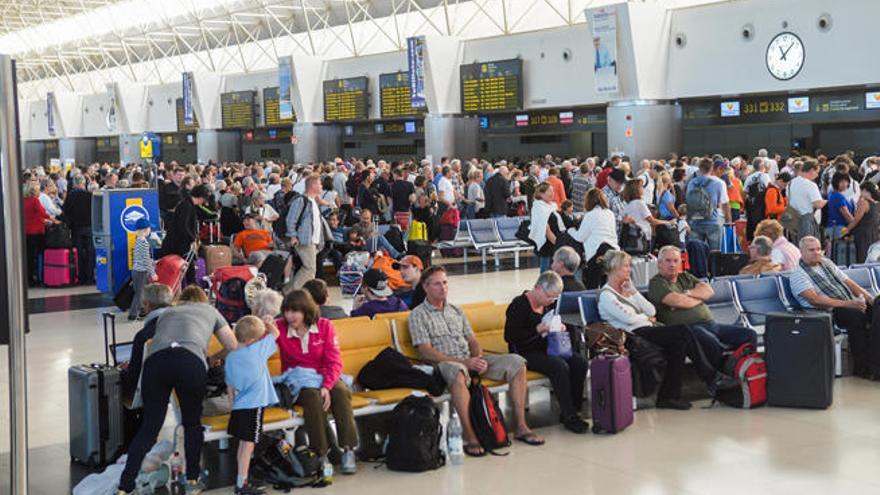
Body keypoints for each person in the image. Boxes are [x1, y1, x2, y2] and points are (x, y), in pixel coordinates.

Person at [408, 266, 543, 457]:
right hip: (444, 364)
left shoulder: (456, 310)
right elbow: (426, 351)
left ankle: (521, 426)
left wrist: (478, 358)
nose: (443, 287)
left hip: (469, 359)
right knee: (457, 372)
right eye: (437, 284)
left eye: (445, 282)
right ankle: (470, 437)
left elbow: (472, 340)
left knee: (517, 363)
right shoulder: (418, 314)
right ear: (425, 287)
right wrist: (464, 362)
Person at [118, 286, 239, 495]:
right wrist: (213, 357)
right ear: (203, 300)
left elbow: (143, 337)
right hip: (189, 363)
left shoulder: (169, 312)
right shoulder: (211, 311)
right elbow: (233, 345)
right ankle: (192, 480)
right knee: (192, 424)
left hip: (156, 364)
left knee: (149, 428)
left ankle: (125, 485)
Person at [599, 250, 729, 410]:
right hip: (632, 336)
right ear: (615, 268)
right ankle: (711, 377)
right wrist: (645, 318)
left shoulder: (627, 291)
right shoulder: (607, 296)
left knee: (679, 345)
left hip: (647, 330)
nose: (629, 269)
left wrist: (634, 292)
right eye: (626, 266)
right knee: (682, 331)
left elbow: (651, 310)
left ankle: (669, 397)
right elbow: (630, 319)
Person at [275, 290, 357, 475]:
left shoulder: (324, 326)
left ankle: (348, 449)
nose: (290, 316)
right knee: (312, 396)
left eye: (295, 311)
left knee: (340, 391)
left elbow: (334, 362)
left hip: (324, 376)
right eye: (286, 311)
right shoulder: (279, 327)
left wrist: (327, 386)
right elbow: (259, 341)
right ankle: (321, 453)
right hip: (297, 381)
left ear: (306, 310)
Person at [647, 245, 757, 372]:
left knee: (749, 335)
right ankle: (723, 374)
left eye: (675, 261)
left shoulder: (685, 277)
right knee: (709, 340)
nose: (672, 264)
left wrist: (687, 294)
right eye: (668, 260)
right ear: (659, 263)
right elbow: (677, 301)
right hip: (689, 330)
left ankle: (744, 369)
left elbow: (708, 291)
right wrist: (699, 299)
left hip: (712, 325)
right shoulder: (657, 283)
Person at [504, 271, 589, 433]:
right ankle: (569, 415)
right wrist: (537, 330)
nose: (551, 301)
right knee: (559, 366)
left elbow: (565, 325)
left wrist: (561, 327)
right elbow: (510, 337)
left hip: (548, 347)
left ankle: (574, 409)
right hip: (525, 351)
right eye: (549, 296)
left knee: (579, 363)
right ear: (537, 288)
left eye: (555, 298)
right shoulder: (519, 305)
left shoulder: (549, 305)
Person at [790, 236, 879, 378]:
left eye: (819, 249)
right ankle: (862, 367)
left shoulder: (826, 263)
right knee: (857, 317)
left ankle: (876, 361)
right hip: (826, 311)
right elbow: (815, 300)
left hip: (848, 302)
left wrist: (870, 299)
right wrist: (850, 304)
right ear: (801, 252)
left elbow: (849, 283)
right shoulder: (798, 274)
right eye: (811, 250)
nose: (817, 252)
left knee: (878, 307)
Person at [225, 315, 280, 495]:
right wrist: (267, 323)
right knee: (249, 445)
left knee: (243, 444)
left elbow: (230, 387)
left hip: (239, 406)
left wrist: (233, 404)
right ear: (251, 341)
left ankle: (242, 478)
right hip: (254, 406)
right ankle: (242, 483)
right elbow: (276, 333)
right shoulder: (257, 351)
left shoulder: (231, 357)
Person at [286, 176, 330, 291]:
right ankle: (291, 292)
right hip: (304, 239)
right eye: (320, 184)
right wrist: (293, 235)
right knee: (310, 268)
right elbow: (291, 219)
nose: (321, 186)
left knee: (309, 268)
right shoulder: (301, 200)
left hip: (313, 240)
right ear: (313, 185)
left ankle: (296, 291)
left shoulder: (313, 201)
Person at [685, 158, 730, 250]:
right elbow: (725, 203)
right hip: (712, 221)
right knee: (715, 253)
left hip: (695, 221)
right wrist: (728, 220)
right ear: (712, 168)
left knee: (697, 252)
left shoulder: (692, 182)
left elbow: (688, 201)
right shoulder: (719, 183)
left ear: (699, 168)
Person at [62, 174, 95, 284]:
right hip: (90, 227)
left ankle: (81, 277)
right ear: (84, 183)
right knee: (90, 252)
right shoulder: (90, 195)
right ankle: (90, 277)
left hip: (76, 228)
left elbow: (65, 212)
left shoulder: (71, 196)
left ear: (74, 184)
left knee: (79, 253)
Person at [621, 179, 673, 248]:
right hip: (643, 237)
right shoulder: (639, 203)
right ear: (636, 189)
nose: (643, 189)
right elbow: (652, 221)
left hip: (632, 238)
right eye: (641, 186)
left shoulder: (628, 205)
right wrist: (668, 222)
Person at [24, 183, 56, 286]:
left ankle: (29, 278)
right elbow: (42, 212)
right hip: (37, 232)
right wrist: (53, 219)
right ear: (33, 191)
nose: (39, 192)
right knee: (40, 255)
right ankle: (40, 277)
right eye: (38, 190)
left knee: (29, 256)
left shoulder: (23, 201)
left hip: (27, 232)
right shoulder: (35, 200)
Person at [787, 160, 826, 241]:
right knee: (808, 245)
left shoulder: (790, 183)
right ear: (811, 170)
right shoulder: (811, 184)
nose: (817, 175)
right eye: (817, 172)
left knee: (796, 245)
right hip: (805, 218)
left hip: (792, 217)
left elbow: (788, 199)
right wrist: (826, 201)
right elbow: (818, 204)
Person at [529, 183, 563, 273]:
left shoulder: (552, 205)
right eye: (549, 191)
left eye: (553, 191)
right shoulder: (539, 207)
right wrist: (558, 244)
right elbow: (546, 229)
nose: (552, 193)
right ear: (541, 194)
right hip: (547, 244)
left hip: (555, 241)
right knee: (546, 271)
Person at [128, 218, 156, 321]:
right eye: (149, 229)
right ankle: (133, 314)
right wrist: (153, 273)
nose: (150, 230)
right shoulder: (144, 243)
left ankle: (142, 311)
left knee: (140, 292)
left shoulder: (137, 241)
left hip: (137, 271)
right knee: (139, 294)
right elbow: (146, 260)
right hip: (141, 272)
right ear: (145, 230)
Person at [847, 182, 880, 263]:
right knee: (872, 257)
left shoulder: (864, 203)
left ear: (865, 190)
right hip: (874, 234)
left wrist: (846, 230)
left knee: (862, 257)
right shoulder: (876, 204)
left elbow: (856, 220)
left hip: (863, 235)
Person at [826, 172, 855, 240]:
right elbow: (846, 214)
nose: (844, 184)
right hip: (840, 228)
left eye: (846, 182)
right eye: (841, 182)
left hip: (833, 228)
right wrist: (855, 224)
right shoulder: (838, 197)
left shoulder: (832, 193)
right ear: (836, 182)